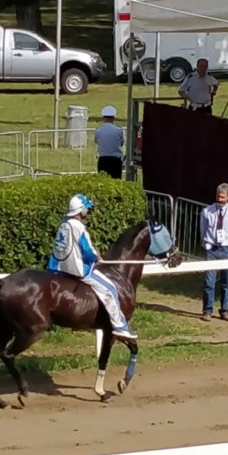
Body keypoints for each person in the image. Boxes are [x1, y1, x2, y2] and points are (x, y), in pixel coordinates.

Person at [47, 194, 137, 339]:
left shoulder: (64, 223)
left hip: (57, 267)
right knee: (110, 289)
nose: (87, 211)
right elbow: (87, 250)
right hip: (76, 269)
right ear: (80, 210)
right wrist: (97, 257)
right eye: (86, 209)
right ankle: (119, 326)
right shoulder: (79, 227)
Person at [200, 183, 228, 322]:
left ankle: (224, 310)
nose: (220, 199)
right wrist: (206, 243)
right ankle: (207, 310)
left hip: (227, 249)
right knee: (209, 282)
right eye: (218, 196)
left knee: (226, 282)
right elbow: (203, 228)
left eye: (223, 197)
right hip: (212, 250)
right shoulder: (207, 211)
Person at [94, 105, 124, 179]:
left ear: (103, 118)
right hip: (115, 160)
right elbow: (121, 142)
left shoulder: (98, 131)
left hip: (103, 160)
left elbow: (96, 142)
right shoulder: (119, 131)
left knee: (103, 182)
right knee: (116, 181)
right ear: (113, 118)